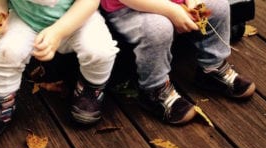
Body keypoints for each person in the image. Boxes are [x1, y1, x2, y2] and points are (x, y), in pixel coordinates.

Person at [0, 0, 119, 142]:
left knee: (100, 51)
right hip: (26, 18)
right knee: (6, 52)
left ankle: (91, 90)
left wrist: (58, 32)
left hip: (78, 19)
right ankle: (0, 103)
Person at [100, 0, 255, 124]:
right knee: (158, 29)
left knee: (217, 6)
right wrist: (171, 11)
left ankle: (211, 68)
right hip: (131, 8)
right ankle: (154, 90)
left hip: (175, 3)